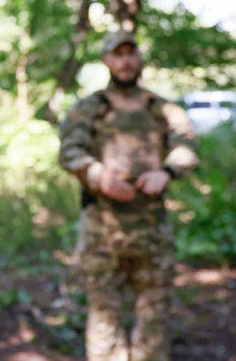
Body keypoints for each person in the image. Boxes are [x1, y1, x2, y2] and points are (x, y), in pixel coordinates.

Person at [58, 30, 199, 361]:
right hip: (102, 228)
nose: (125, 61)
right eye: (117, 54)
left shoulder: (161, 109)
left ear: (140, 58)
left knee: (154, 314)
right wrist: (98, 174)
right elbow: (69, 150)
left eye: (130, 53)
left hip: (151, 227)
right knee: (104, 315)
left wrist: (165, 171)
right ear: (107, 60)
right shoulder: (90, 108)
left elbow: (187, 146)